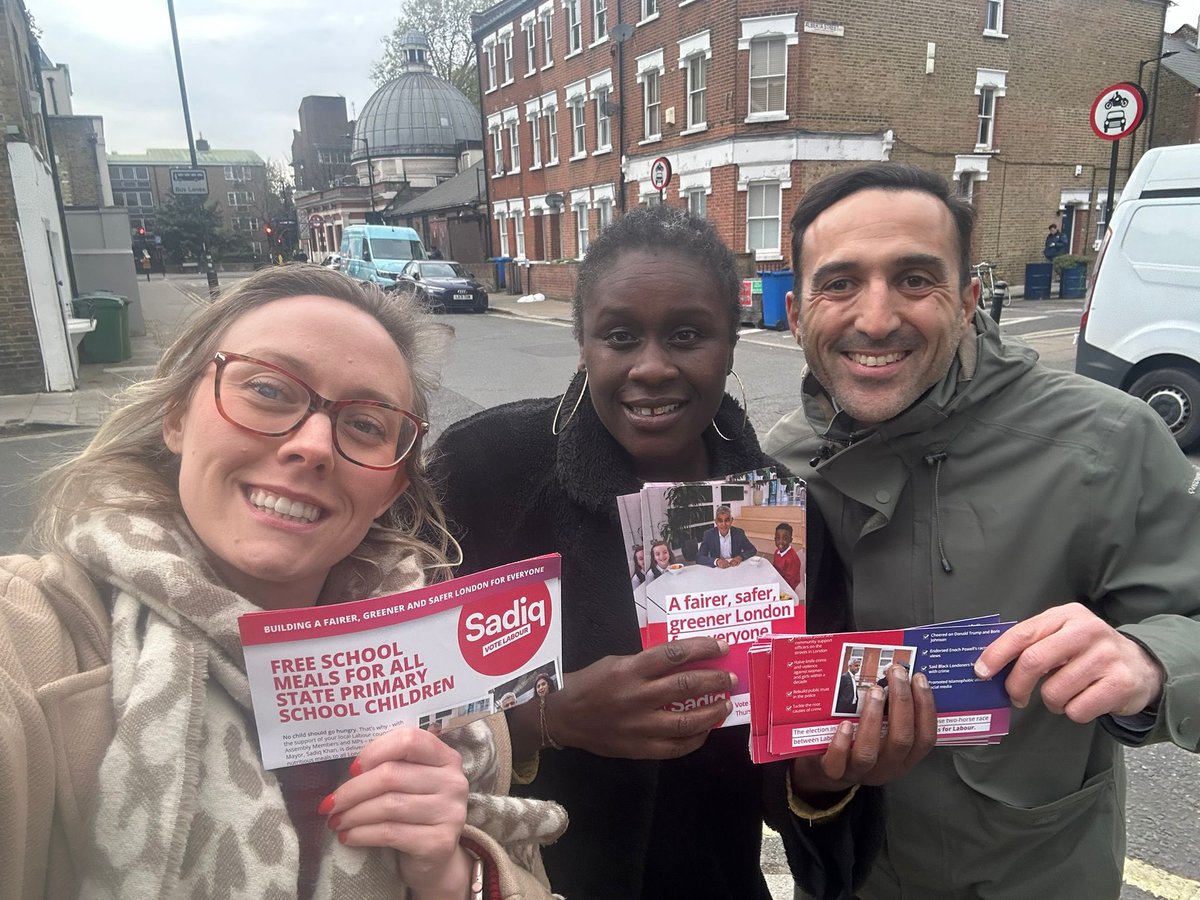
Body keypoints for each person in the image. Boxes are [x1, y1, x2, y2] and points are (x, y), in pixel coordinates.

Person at [0, 266, 565, 900]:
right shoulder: (29, 643)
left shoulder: (448, 698)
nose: (314, 444)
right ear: (176, 417)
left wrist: (450, 873)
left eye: (366, 424)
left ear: (391, 487)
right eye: (268, 389)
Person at [429, 205, 937, 900]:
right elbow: (391, 702)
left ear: (733, 343)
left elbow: (793, 753)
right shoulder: (485, 472)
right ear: (584, 343)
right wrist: (544, 717)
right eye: (619, 336)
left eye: (688, 335)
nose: (652, 367)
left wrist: (823, 776)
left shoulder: (783, 513)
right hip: (526, 880)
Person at [765, 162, 1200, 899]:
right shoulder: (778, 470)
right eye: (839, 284)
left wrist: (1153, 661)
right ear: (799, 312)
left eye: (914, 279)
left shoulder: (1107, 441)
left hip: (1039, 877)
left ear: (968, 300)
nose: (875, 318)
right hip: (853, 880)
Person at [772, 522, 803, 591]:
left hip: (789, 588)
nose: (780, 541)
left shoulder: (792, 558)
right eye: (778, 538)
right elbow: (775, 569)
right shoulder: (776, 552)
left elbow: (790, 583)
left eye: (785, 538)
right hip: (779, 581)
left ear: (790, 540)